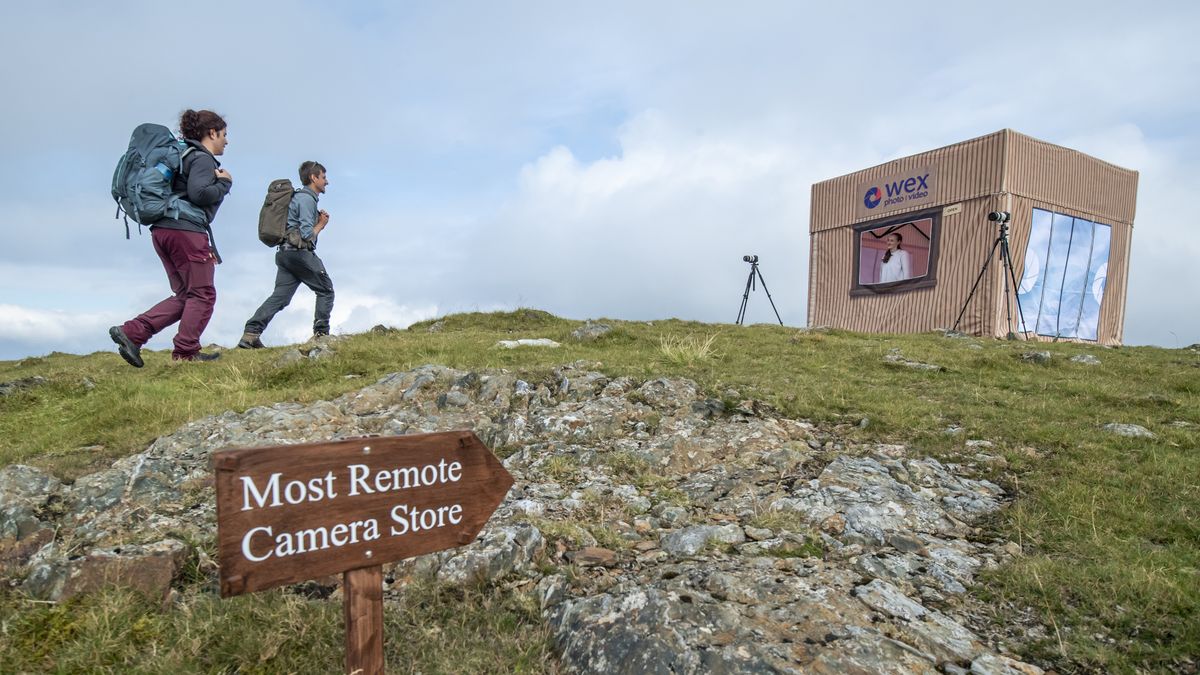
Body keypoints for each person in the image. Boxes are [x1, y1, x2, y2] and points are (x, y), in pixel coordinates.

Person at [109, 109, 232, 366]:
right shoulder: (201, 158)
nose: (226, 141)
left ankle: (132, 333)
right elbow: (199, 194)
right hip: (186, 231)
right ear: (212, 133)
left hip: (163, 230)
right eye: (224, 135)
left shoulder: (181, 155)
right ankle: (186, 353)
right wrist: (224, 183)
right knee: (203, 293)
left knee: (187, 294)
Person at [238, 161, 334, 348]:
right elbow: (306, 234)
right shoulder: (307, 199)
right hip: (299, 254)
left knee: (280, 297)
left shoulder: (298, 198)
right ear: (313, 178)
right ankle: (322, 336)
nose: (326, 182)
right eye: (323, 177)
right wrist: (321, 224)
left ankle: (250, 334)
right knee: (326, 290)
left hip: (284, 253)